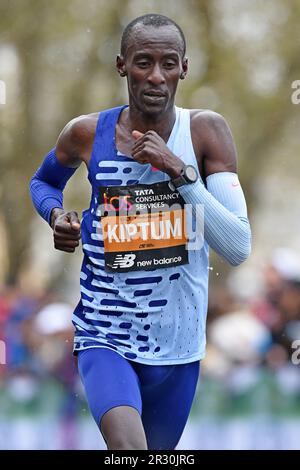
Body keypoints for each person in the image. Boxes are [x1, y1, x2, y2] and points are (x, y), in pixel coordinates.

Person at [29, 13, 251, 450]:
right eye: (142, 62)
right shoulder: (87, 133)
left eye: (169, 64)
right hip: (103, 334)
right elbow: (43, 182)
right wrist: (56, 216)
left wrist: (180, 172)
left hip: (179, 347)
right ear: (121, 65)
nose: (155, 77)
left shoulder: (206, 133)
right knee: (129, 450)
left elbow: (238, 246)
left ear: (184, 68)